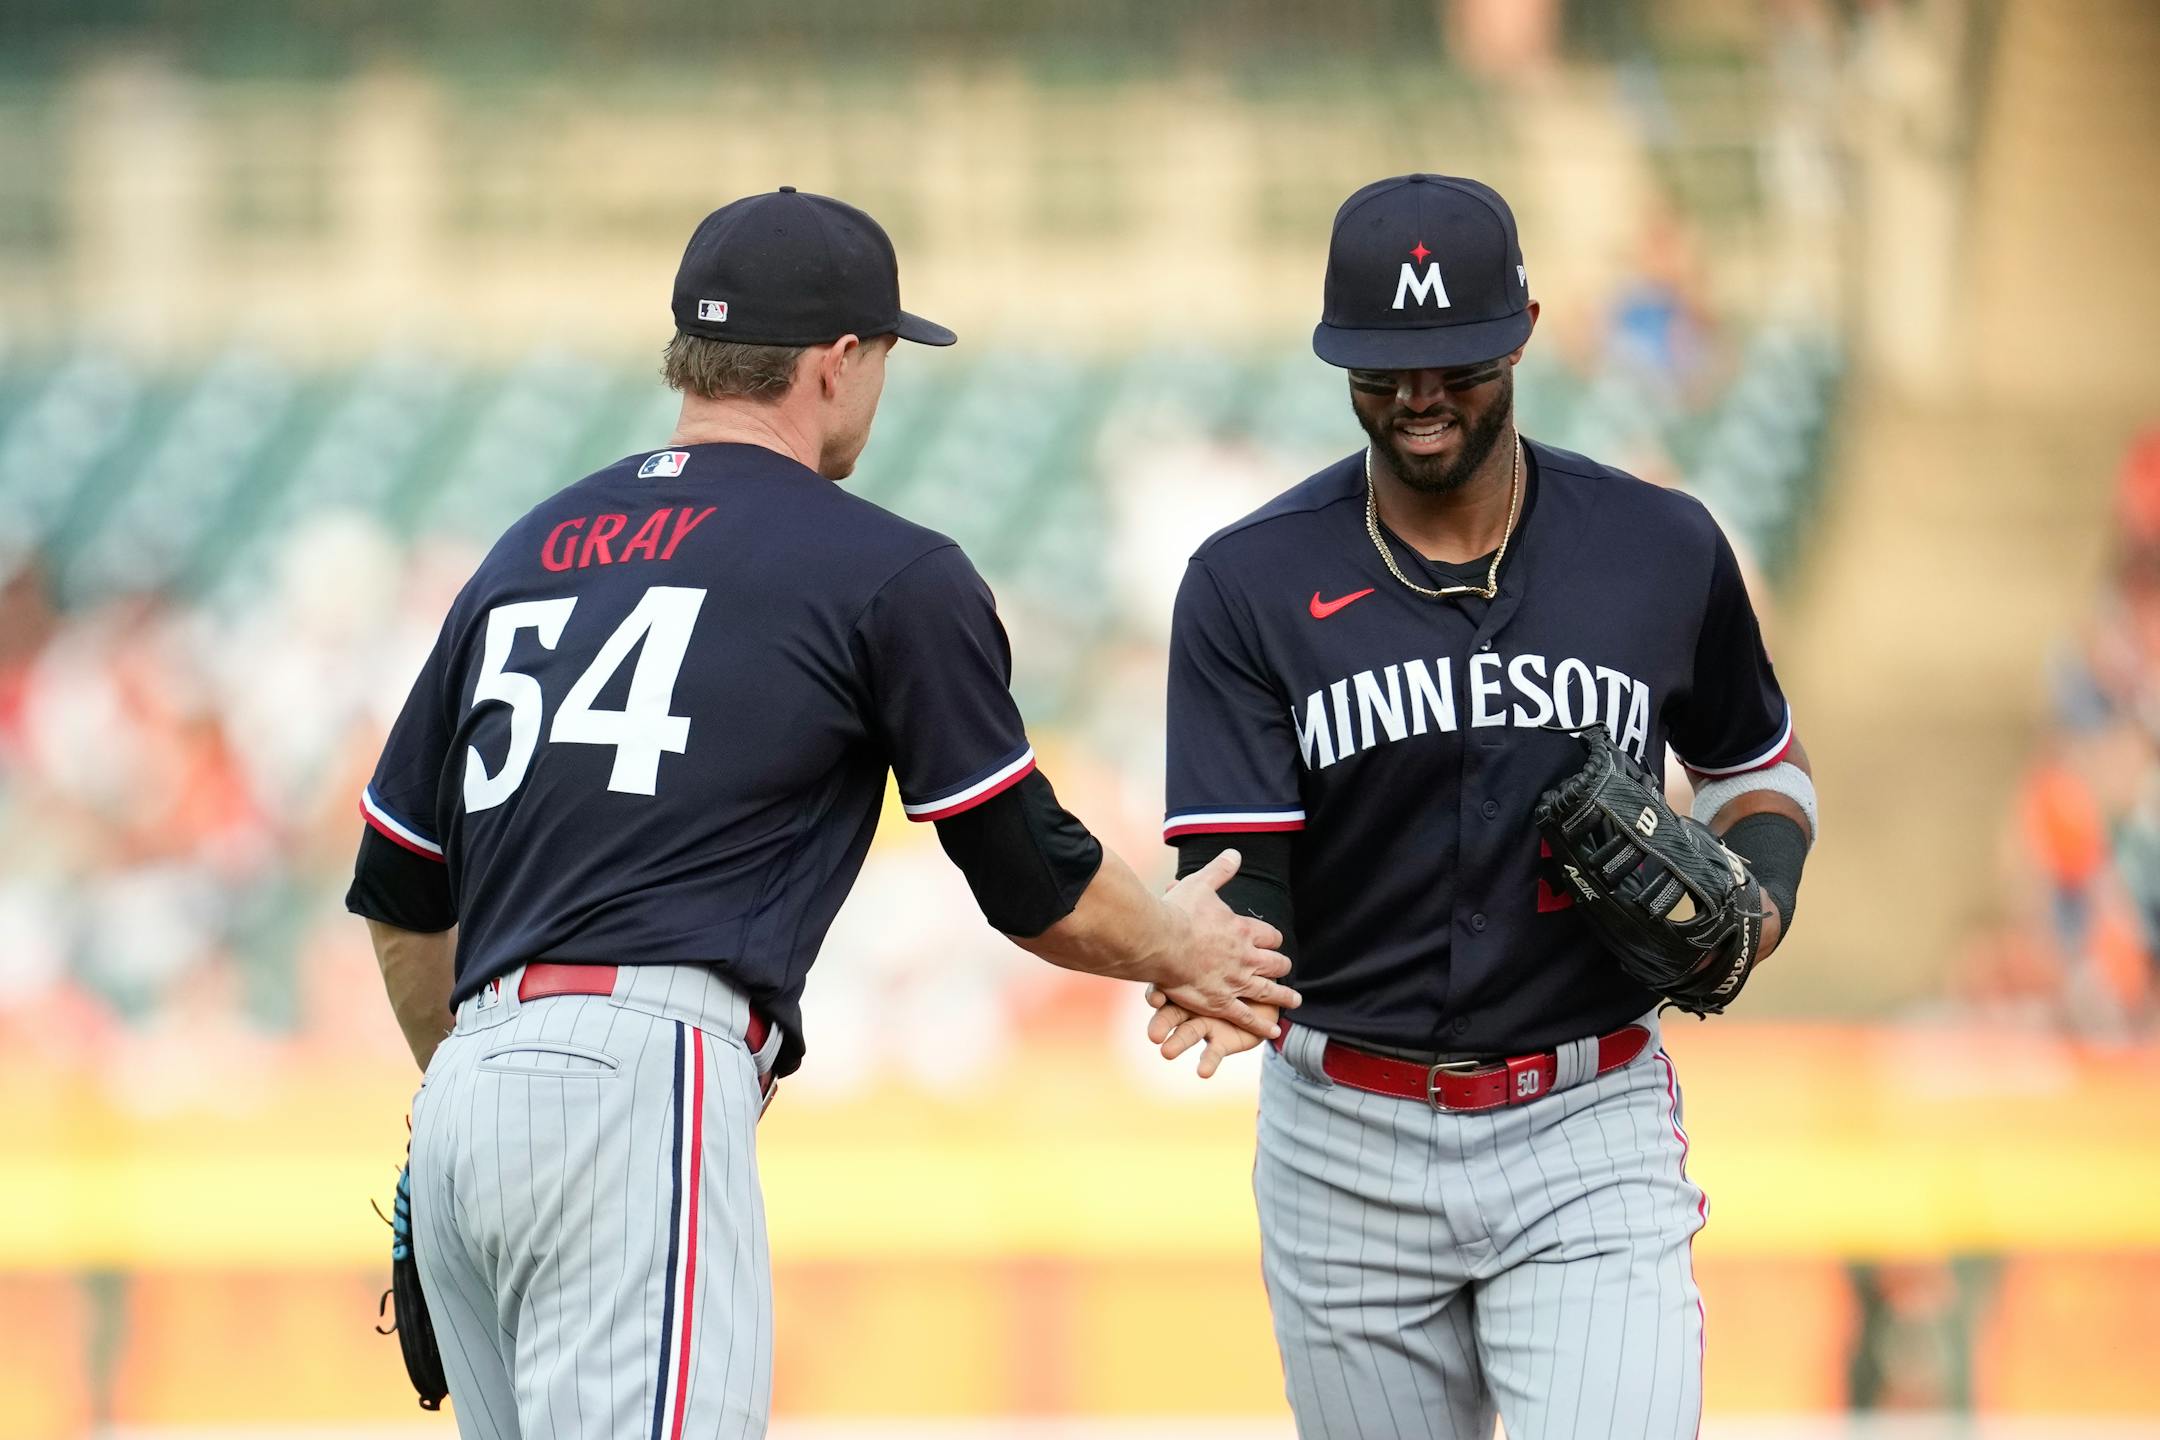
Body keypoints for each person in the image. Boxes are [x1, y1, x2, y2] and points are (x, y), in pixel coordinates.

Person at [345, 187, 1294, 1439]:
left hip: (465, 1082)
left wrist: (496, 1087)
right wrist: (1190, 946)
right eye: (885, 351)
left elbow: (403, 885)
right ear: (839, 362)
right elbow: (1027, 872)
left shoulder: (524, 550)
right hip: (644, 1071)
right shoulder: (881, 567)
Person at [1144, 174, 1818, 1438]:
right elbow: (1248, 869)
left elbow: (1757, 765)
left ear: (1522, 332)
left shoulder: (1660, 548)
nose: (1418, 397)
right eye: (1382, 366)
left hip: (1586, 1120)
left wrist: (1762, 900)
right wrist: (1210, 959)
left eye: (1454, 360)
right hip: (1345, 1138)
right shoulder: (1248, 584)